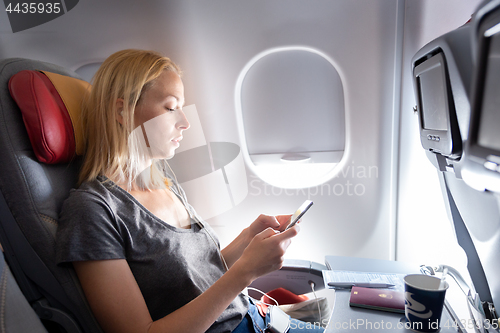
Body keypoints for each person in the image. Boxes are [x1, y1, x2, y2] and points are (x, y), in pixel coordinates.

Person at [56, 49, 324, 333]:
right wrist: (245, 272)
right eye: (171, 107)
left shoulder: (164, 184)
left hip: (257, 319)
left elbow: (194, 277)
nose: (185, 122)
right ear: (122, 111)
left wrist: (248, 239)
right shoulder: (93, 211)